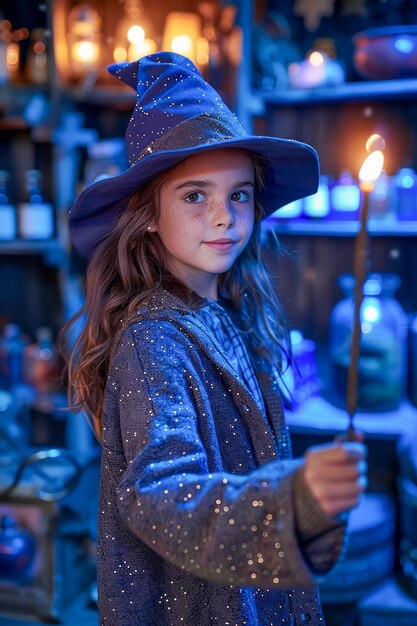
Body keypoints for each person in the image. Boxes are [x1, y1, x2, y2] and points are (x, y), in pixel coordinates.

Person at [66, 52, 367, 626]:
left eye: (239, 194)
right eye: (195, 195)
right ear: (148, 211)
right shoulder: (153, 341)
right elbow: (162, 494)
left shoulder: (221, 309)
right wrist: (292, 501)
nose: (225, 217)